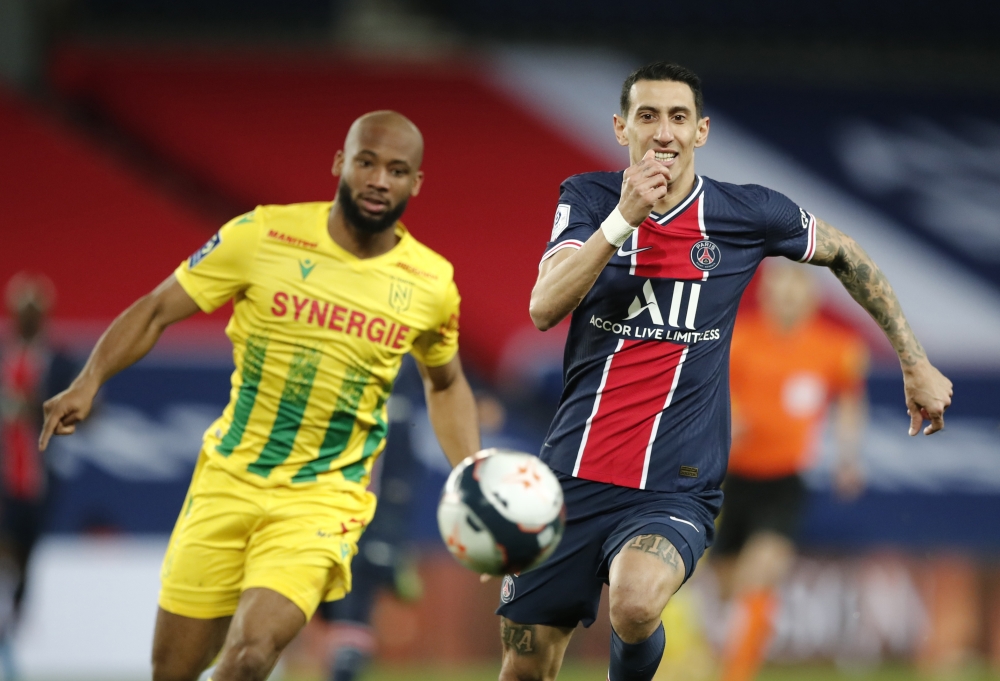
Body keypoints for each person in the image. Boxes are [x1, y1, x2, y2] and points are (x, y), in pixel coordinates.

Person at [497, 62, 952, 681]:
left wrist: (913, 360)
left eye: (678, 117)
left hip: (675, 484)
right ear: (621, 127)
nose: (664, 132)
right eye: (647, 116)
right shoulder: (588, 198)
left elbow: (846, 253)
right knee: (524, 668)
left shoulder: (746, 213)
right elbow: (544, 307)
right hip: (570, 474)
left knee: (636, 601)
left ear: (701, 131)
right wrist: (623, 218)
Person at [38, 110, 480, 681]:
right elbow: (155, 310)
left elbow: (445, 382)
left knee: (250, 655)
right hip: (227, 482)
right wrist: (89, 380)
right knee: (171, 672)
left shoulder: (430, 283)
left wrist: (472, 472)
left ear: (415, 183)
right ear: (339, 163)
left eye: (396, 171)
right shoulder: (263, 235)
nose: (378, 181)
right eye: (366, 163)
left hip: (323, 499)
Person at [713, 259, 869, 681]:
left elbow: (850, 402)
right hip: (732, 478)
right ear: (764, 296)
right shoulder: (738, 340)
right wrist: (729, 421)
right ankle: (716, 653)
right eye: (779, 294)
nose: (786, 302)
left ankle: (737, 674)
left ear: (810, 299)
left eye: (794, 294)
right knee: (725, 583)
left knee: (762, 570)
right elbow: (714, 395)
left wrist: (849, 458)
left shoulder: (835, 348)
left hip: (785, 479)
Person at [0, 273, 76, 678]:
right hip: (4, 480)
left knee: (25, 563)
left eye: (34, 312)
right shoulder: (4, 354)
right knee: (6, 555)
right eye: (22, 311)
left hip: (36, 482)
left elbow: (87, 410)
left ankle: (10, 637)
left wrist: (41, 410)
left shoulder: (58, 360)